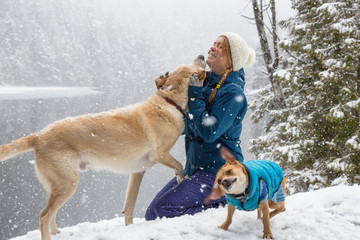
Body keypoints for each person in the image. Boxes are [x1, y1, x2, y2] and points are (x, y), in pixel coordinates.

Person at [145, 32, 255, 220]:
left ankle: (222, 205)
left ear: (231, 61)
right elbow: (191, 125)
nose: (213, 47)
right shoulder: (205, 83)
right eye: (214, 43)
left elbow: (209, 132)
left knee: (166, 209)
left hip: (219, 172)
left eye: (221, 47)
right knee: (152, 215)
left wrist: (195, 95)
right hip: (196, 169)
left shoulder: (232, 93)